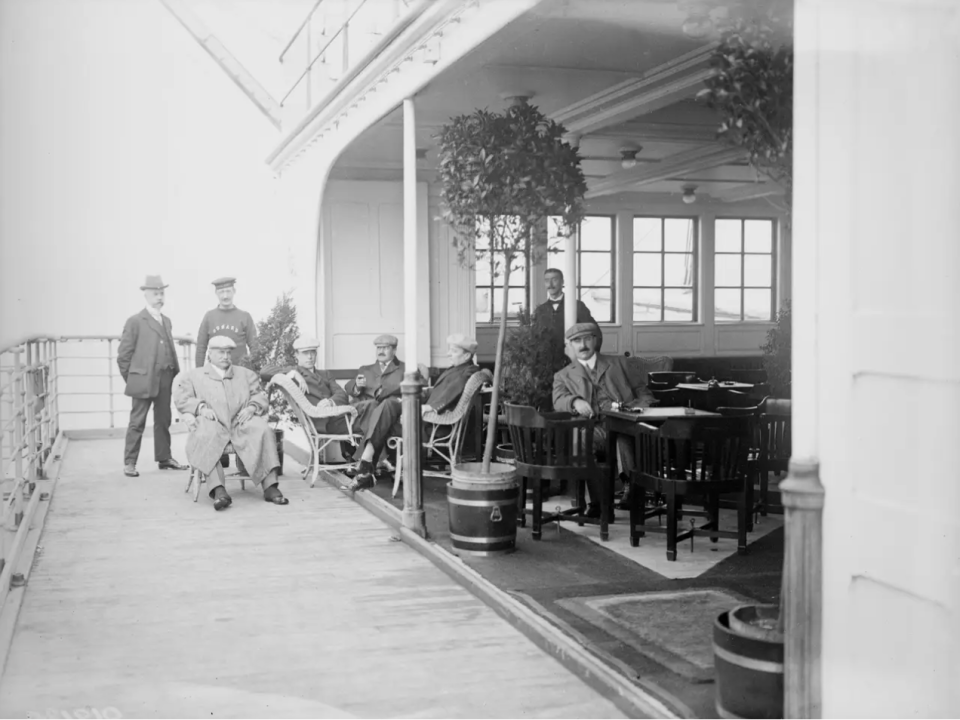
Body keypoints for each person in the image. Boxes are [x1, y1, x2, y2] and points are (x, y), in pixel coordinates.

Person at [348, 334, 480, 491]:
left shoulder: (468, 371)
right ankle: (367, 463)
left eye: (453, 351)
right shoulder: (456, 369)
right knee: (389, 406)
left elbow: (450, 392)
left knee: (383, 415)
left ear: (466, 355)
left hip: (430, 425)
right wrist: (410, 399)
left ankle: (366, 466)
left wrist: (429, 408)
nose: (448, 354)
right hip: (419, 417)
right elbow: (432, 391)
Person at [175, 335, 289, 511]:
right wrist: (200, 408)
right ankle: (218, 490)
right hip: (212, 422)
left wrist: (252, 407)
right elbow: (182, 399)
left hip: (240, 422)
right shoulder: (194, 376)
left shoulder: (245, 374)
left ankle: (270, 486)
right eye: (220, 352)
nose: (225, 356)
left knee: (263, 430)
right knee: (205, 435)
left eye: (228, 352)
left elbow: (259, 395)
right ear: (209, 354)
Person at [552, 322, 654, 516]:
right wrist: (575, 402)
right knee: (582, 440)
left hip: (626, 423)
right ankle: (598, 502)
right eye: (576, 341)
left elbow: (644, 393)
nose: (583, 344)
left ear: (595, 341)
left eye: (587, 339)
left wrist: (637, 409)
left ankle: (630, 488)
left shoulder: (620, 363)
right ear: (570, 346)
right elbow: (558, 399)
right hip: (594, 427)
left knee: (623, 434)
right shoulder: (563, 376)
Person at [117, 275, 188, 478]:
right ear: (146, 295)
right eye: (155, 293)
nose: (159, 297)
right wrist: (133, 378)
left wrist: (175, 373)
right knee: (137, 421)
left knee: (163, 419)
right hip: (143, 380)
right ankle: (130, 462)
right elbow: (123, 357)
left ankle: (164, 458)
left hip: (165, 378)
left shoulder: (166, 321)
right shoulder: (135, 321)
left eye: (161, 293)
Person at [260, 337, 355, 459]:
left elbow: (342, 394)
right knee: (374, 413)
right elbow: (264, 372)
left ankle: (360, 460)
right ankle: (365, 462)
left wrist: (330, 401)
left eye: (312, 352)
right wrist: (294, 373)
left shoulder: (325, 374)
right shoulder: (293, 373)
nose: (310, 357)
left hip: (339, 417)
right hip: (322, 423)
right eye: (305, 353)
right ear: (296, 355)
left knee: (373, 411)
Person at [344, 334, 406, 470]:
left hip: (385, 412)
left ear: (394, 350)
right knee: (373, 406)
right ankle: (381, 458)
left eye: (385, 348)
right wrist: (357, 385)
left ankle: (364, 461)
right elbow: (348, 388)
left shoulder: (405, 369)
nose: (380, 351)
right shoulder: (366, 369)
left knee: (377, 408)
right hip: (363, 410)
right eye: (378, 348)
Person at [194, 277, 258, 369]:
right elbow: (201, 347)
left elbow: (254, 346)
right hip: (216, 372)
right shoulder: (209, 317)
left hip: (240, 371)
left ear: (234, 291)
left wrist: (254, 371)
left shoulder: (245, 316)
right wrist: (198, 372)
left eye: (228, 291)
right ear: (216, 293)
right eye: (221, 292)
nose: (225, 296)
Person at [532, 268, 597, 353]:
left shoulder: (577, 306)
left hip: (572, 359)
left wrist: (588, 358)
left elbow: (594, 332)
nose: (550, 284)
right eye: (547, 280)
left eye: (554, 280)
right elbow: (534, 338)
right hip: (546, 360)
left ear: (562, 282)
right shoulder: (540, 310)